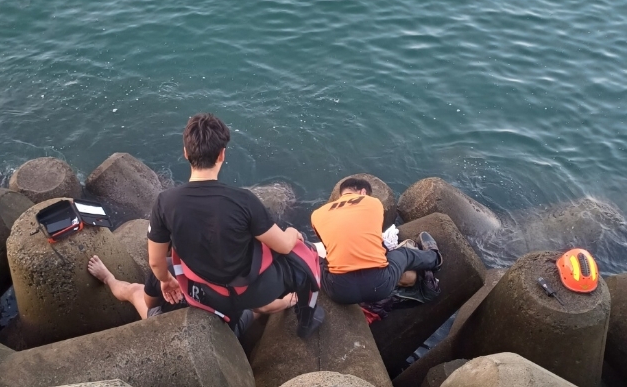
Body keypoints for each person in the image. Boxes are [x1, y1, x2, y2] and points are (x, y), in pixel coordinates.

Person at [147, 113, 323, 338]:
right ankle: (306, 317)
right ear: (222, 154)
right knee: (301, 251)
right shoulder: (243, 200)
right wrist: (293, 232)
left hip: (201, 290)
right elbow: (284, 247)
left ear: (186, 153)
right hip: (250, 294)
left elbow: (155, 260)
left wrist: (166, 280)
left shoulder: (164, 202)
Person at [311, 177, 441, 307]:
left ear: (341, 194)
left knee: (315, 258)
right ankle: (435, 258)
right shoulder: (373, 202)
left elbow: (327, 245)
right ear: (363, 192)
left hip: (339, 292)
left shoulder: (317, 214)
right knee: (404, 254)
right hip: (380, 286)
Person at [87, 254, 186, 321]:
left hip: (171, 322)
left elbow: (150, 304)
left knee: (135, 291)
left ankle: (107, 278)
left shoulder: (166, 267)